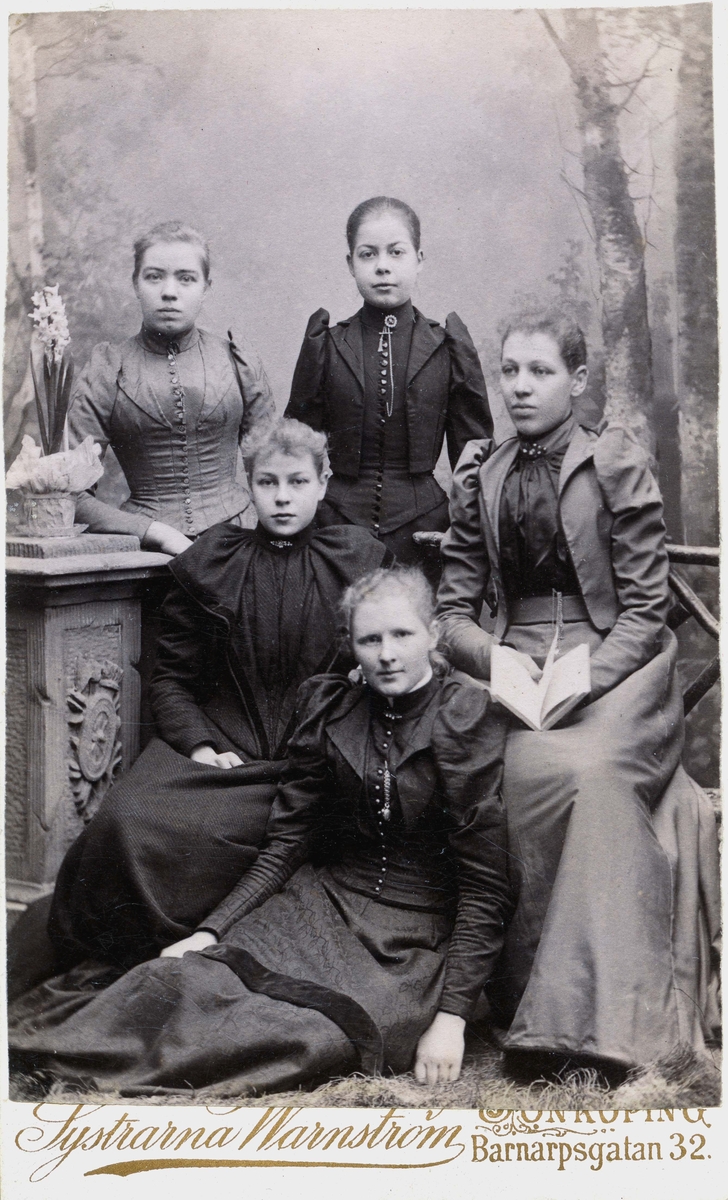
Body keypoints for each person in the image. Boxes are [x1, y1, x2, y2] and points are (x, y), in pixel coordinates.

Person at [10, 566, 512, 1096]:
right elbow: (287, 844)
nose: (386, 654)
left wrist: (452, 1019)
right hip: (323, 906)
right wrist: (210, 931)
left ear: (433, 635)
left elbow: (486, 887)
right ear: (351, 645)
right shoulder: (333, 708)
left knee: (303, 1035)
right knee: (187, 979)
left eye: (402, 634)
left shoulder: (463, 716)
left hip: (414, 943)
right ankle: (41, 1052)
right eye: (370, 639)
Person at [436, 309, 721, 1078]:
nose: (521, 387)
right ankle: (532, 999)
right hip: (516, 663)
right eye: (510, 371)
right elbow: (452, 613)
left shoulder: (614, 461)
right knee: (518, 771)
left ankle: (597, 1027)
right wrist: (495, 659)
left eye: (541, 371)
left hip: (619, 663)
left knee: (591, 773)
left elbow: (646, 609)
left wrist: (585, 679)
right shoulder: (482, 471)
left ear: (578, 379)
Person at [47, 419, 391, 972]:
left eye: (298, 482)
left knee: (279, 834)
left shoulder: (357, 560)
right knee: (125, 820)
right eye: (267, 482)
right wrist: (201, 746)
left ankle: (208, 942)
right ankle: (131, 952)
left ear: (323, 483)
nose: (282, 497)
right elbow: (171, 680)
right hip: (221, 752)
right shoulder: (215, 560)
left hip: (314, 757)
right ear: (247, 484)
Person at [285, 196, 492, 581]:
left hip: (426, 532)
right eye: (368, 254)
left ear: (419, 259)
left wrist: (469, 537)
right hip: (334, 529)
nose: (382, 266)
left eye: (396, 252)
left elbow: (474, 456)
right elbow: (293, 451)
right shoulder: (326, 345)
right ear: (351, 263)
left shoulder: (447, 346)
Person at [69, 220, 275, 555]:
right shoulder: (107, 369)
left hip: (242, 544)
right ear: (135, 284)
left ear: (206, 287)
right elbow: (69, 495)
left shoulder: (238, 361)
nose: (169, 291)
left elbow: (277, 473)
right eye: (154, 276)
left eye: (186, 278)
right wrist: (153, 532)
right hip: (146, 553)